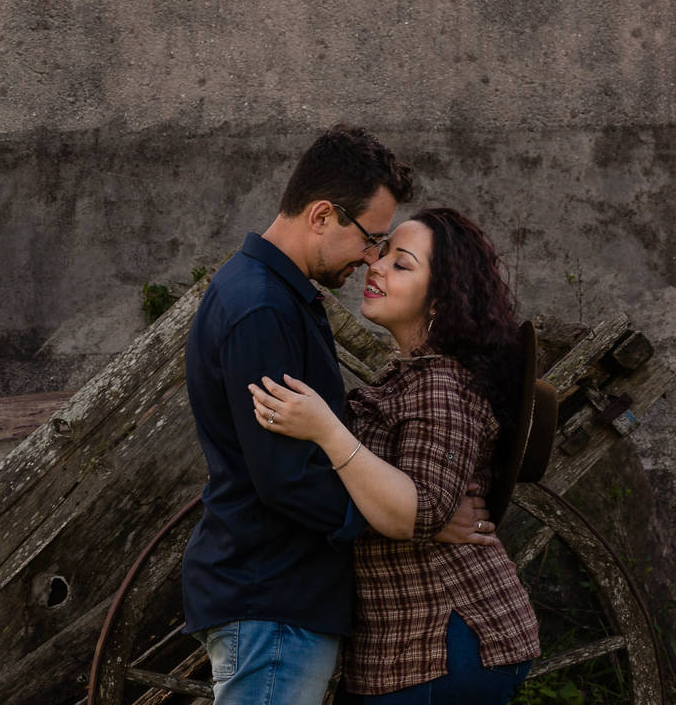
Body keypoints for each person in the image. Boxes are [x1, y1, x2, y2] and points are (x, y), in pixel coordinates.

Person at [181, 126, 493, 705]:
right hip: (272, 597)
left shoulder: (278, 297)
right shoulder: (262, 309)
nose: (372, 258)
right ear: (323, 215)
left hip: (279, 595)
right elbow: (286, 476)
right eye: (372, 239)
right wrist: (413, 518)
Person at [249, 208, 540, 703]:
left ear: (441, 300)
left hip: (446, 644)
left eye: (401, 265)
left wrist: (325, 428)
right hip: (405, 646)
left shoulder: (441, 387)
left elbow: (420, 510)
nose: (375, 267)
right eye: (379, 255)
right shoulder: (407, 378)